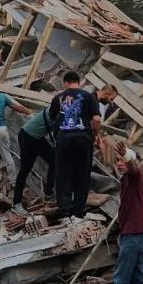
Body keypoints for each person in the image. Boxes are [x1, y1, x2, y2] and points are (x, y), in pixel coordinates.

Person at [97, 141, 143, 284]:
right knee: (138, 279)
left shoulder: (137, 177)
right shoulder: (126, 181)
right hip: (135, 235)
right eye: (118, 160)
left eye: (123, 160)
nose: (119, 163)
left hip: (135, 236)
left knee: (120, 278)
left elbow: (134, 169)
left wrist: (128, 157)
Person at [49, 71, 101, 222]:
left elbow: (52, 117)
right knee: (82, 175)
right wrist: (95, 134)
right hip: (83, 139)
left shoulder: (58, 97)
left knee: (63, 175)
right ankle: (78, 212)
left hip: (64, 139)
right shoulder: (89, 96)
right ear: (79, 82)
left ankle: (65, 212)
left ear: (65, 83)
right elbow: (96, 119)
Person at [12, 106, 57, 212]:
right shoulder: (60, 111)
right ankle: (16, 204)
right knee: (25, 169)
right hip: (29, 137)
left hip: (34, 137)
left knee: (54, 160)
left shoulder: (58, 106)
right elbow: (58, 133)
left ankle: (48, 193)